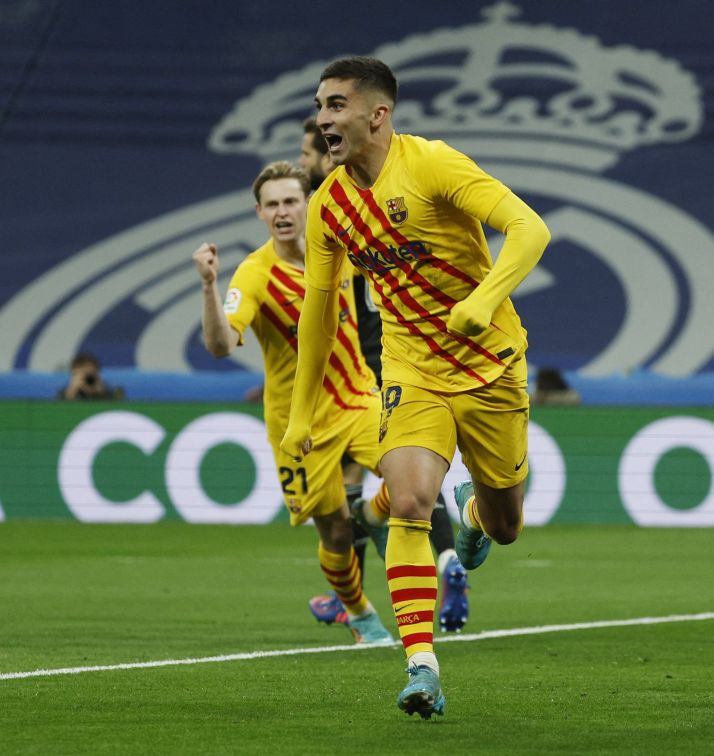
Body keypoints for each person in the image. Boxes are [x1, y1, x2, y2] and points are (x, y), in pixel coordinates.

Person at [281, 57, 551, 719]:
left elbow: (529, 229)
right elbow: (319, 312)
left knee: (508, 525)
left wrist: (484, 301)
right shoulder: (331, 206)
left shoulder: (431, 164)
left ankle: (479, 518)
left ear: (378, 114)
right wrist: (299, 411)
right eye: (320, 105)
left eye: (336, 104)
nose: (323, 118)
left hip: (489, 363)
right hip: (410, 367)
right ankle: (421, 665)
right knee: (408, 502)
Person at [192, 160, 394, 645]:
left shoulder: (340, 250)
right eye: (273, 204)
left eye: (291, 201)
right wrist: (208, 286)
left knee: (407, 473)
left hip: (357, 397)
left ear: (307, 203)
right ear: (259, 212)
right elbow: (220, 346)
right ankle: (360, 613)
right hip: (297, 427)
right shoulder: (256, 274)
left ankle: (376, 513)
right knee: (336, 536)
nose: (283, 212)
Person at [300, 116, 471, 635]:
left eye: (311, 151)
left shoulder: (339, 217)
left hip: (368, 370)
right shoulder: (363, 206)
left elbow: (324, 312)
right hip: (392, 360)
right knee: (397, 487)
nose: (310, 159)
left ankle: (356, 608)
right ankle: (439, 564)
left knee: (372, 493)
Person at [57, 351, 123, 400]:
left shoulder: (113, 392)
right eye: (82, 377)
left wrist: (102, 394)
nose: (87, 380)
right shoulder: (63, 393)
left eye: (89, 377)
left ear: (98, 373)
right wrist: (71, 394)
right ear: (73, 375)